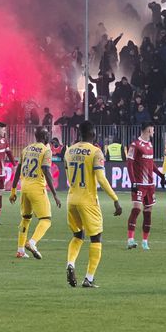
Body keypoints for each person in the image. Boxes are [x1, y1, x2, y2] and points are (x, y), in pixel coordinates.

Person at [64, 120, 122, 288]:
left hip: (71, 199)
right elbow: (101, 179)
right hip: (88, 200)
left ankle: (70, 263)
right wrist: (115, 199)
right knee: (96, 238)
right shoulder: (96, 152)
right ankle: (88, 279)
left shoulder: (69, 151)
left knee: (78, 235)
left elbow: (68, 177)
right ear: (93, 133)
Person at [9, 127, 61, 259]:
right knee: (46, 220)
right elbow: (46, 171)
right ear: (45, 137)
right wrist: (55, 194)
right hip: (37, 188)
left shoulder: (26, 149)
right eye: (48, 135)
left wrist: (13, 190)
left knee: (26, 218)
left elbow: (18, 169)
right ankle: (32, 243)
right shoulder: (46, 150)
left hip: (24, 188)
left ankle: (20, 250)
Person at [125, 123, 165, 250]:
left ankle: (145, 242)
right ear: (148, 130)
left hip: (150, 186)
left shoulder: (150, 145)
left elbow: (151, 163)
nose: (154, 131)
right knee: (136, 210)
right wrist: (133, 182)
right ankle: (130, 240)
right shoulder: (135, 145)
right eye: (153, 129)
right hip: (139, 184)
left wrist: (161, 175)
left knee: (148, 213)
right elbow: (129, 163)